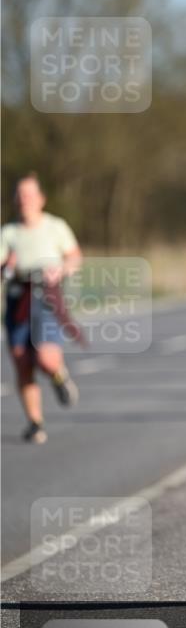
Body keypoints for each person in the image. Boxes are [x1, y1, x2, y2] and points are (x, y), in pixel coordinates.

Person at [1, 173, 81, 443]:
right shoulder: (8, 233)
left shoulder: (55, 227)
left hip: (46, 298)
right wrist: (7, 267)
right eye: (20, 195)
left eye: (29, 194)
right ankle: (35, 422)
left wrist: (60, 270)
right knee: (22, 360)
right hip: (18, 298)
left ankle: (58, 376)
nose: (24, 200)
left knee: (45, 359)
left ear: (41, 199)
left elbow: (74, 257)